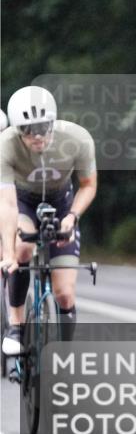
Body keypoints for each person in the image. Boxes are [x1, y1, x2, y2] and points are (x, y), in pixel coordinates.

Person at [1, 86, 97, 355]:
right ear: (18, 130)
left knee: (65, 292)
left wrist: (72, 217)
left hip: (61, 202)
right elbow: (7, 204)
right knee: (22, 249)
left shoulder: (77, 138)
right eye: (28, 130)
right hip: (23, 201)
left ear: (53, 121)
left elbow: (88, 185)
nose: (38, 136)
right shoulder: (5, 145)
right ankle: (16, 325)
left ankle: (65, 353)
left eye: (44, 126)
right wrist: (8, 253)